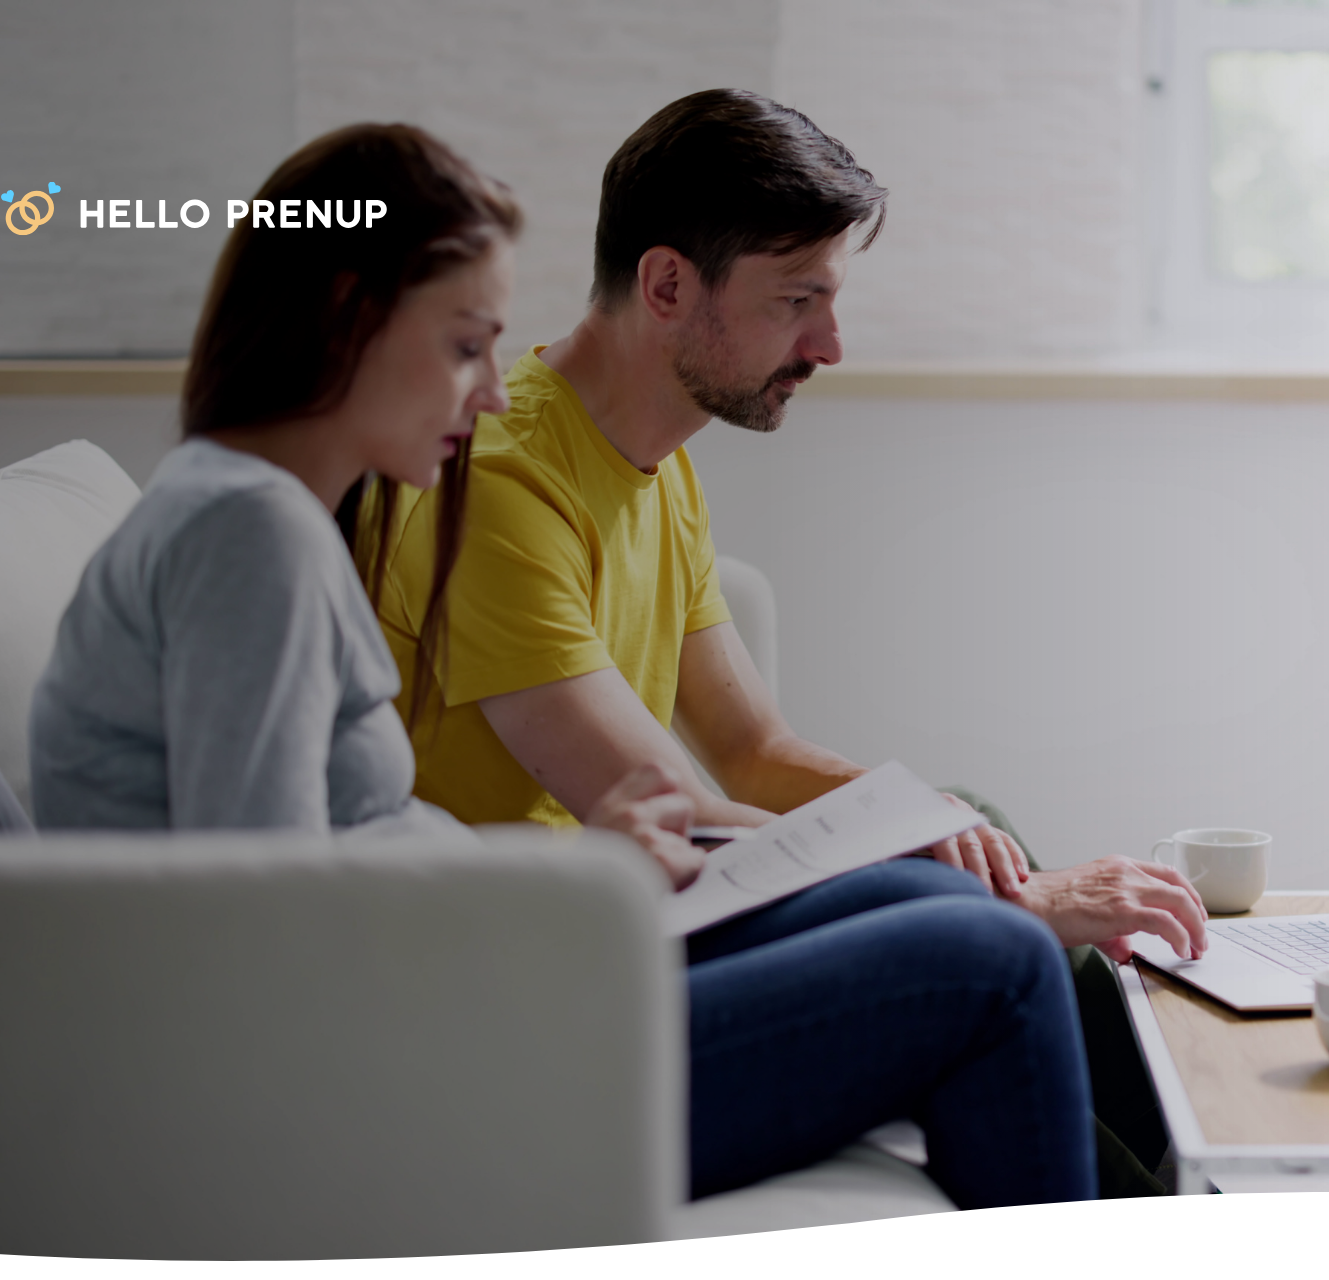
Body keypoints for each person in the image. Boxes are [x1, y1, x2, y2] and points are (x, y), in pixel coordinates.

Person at [29, 122, 1107, 1208]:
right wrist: (559, 886)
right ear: (354, 319)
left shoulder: (264, 520)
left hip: (463, 998)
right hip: (404, 1078)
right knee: (994, 959)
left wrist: (566, 880)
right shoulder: (246, 535)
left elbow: (312, 867)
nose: (492, 388)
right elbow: (258, 916)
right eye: (464, 345)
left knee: (950, 885)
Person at [369, 89, 1209, 1190]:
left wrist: (965, 839)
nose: (831, 343)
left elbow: (754, 748)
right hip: (548, 971)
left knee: (974, 825)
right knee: (993, 923)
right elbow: (670, 802)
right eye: (796, 300)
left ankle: (1173, 1183)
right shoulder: (507, 483)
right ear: (668, 285)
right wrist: (1027, 899)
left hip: (636, 929)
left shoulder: (653, 459)